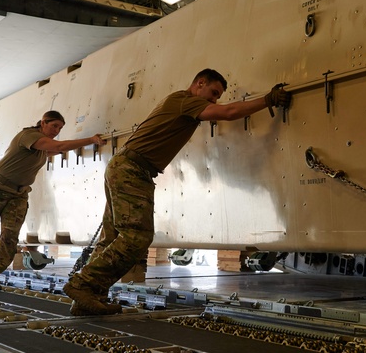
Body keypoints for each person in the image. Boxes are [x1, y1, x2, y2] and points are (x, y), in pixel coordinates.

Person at [64, 69, 291, 315]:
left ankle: (87, 300)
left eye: (217, 96)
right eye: (213, 93)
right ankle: (83, 285)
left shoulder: (181, 103)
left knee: (112, 238)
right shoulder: (185, 100)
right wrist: (268, 100)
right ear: (199, 83)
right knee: (136, 237)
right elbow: (228, 112)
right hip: (133, 169)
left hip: (124, 166)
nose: (214, 100)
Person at [0, 111, 107, 292]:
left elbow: (59, 149)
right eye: (54, 126)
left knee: (10, 239)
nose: (56, 131)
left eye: (60, 128)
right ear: (43, 122)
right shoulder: (29, 136)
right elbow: (61, 145)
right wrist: (92, 139)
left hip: (18, 194)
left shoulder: (41, 149)